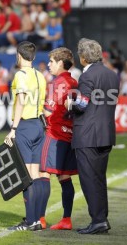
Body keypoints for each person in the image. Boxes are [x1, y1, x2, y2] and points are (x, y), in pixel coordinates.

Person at [66, 38, 119, 234]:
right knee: (99, 179)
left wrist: (69, 104)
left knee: (89, 179)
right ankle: (101, 219)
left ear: (83, 57)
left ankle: (98, 220)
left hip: (88, 134)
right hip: (105, 133)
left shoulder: (87, 77)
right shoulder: (112, 75)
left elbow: (82, 104)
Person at [4, 41, 46, 231]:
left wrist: (14, 128)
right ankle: (36, 219)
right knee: (35, 175)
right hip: (39, 125)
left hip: (25, 126)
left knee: (26, 176)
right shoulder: (40, 75)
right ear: (34, 57)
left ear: (18, 56)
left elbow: (20, 101)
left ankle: (30, 221)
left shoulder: (20, 75)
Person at [40, 47, 78, 230]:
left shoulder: (57, 83)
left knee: (43, 174)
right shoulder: (74, 81)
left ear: (60, 63)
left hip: (55, 134)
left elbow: (48, 111)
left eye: (52, 61)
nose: (49, 64)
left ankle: (39, 217)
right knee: (64, 177)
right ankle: (66, 219)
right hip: (70, 135)